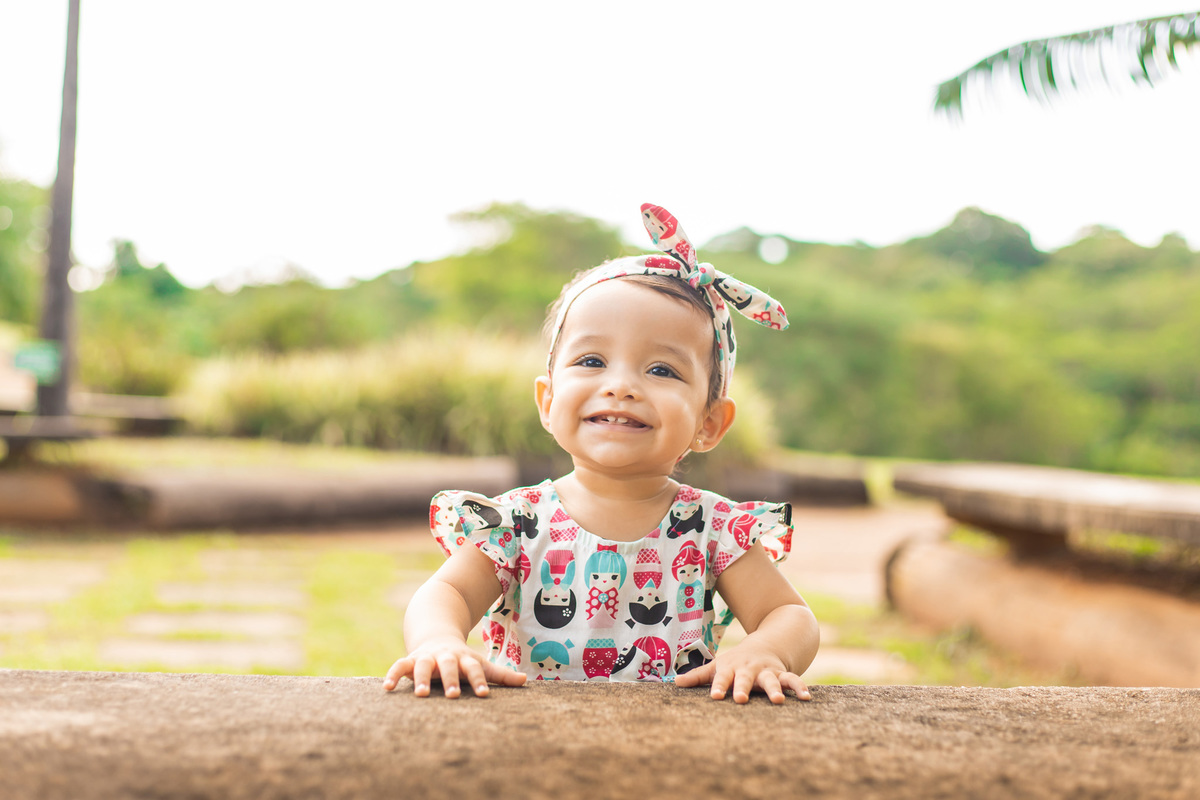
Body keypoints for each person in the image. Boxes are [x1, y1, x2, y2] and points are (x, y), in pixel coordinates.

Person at [384, 203, 819, 704]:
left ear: (709, 422)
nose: (620, 386)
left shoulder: (712, 528)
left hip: (676, 749)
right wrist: (438, 640)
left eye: (662, 370)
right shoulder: (516, 523)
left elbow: (791, 616)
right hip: (528, 739)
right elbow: (447, 595)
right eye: (592, 361)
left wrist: (764, 650)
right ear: (548, 402)